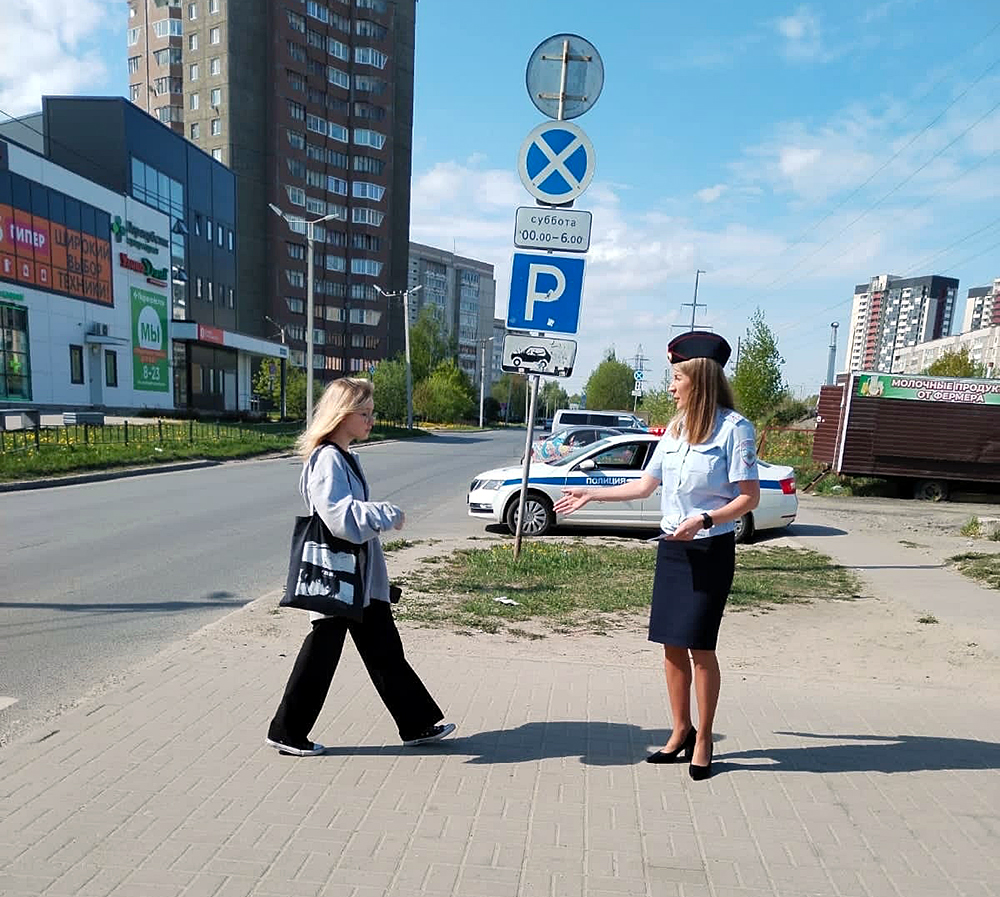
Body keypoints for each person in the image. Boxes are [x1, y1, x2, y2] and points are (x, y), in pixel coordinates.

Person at [553, 331, 759, 780]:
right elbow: (646, 485)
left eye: (677, 377)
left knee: (700, 647)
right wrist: (591, 493)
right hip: (672, 550)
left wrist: (704, 520)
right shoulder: (676, 430)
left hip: (709, 549)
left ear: (699, 379)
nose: (670, 386)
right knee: (670, 646)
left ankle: (704, 738)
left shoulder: (735, 429)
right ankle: (680, 730)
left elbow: (748, 498)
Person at [266, 377, 455, 756]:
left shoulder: (343, 456)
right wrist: (385, 513)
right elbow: (339, 519)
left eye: (370, 413)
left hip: (357, 579)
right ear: (341, 415)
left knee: (384, 650)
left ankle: (416, 724)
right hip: (340, 577)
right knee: (323, 655)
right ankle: (287, 731)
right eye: (364, 413)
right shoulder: (328, 460)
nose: (370, 420)